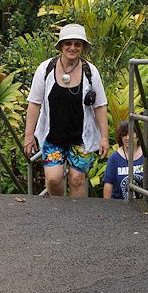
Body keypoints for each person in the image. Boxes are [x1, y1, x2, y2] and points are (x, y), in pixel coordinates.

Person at [24, 23, 110, 197]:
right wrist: (28, 135)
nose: (72, 48)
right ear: (61, 46)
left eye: (77, 44)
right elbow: (34, 103)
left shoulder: (90, 72)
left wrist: (104, 137)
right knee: (53, 179)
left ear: (83, 47)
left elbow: (100, 105)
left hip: (81, 137)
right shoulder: (45, 69)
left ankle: (76, 214)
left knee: (76, 179)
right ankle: (59, 211)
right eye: (68, 43)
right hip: (53, 136)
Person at [102, 120, 148, 205]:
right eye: (124, 135)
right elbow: (108, 184)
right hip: (121, 206)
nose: (127, 138)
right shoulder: (114, 158)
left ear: (138, 136)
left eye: (130, 134)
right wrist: (106, 207)